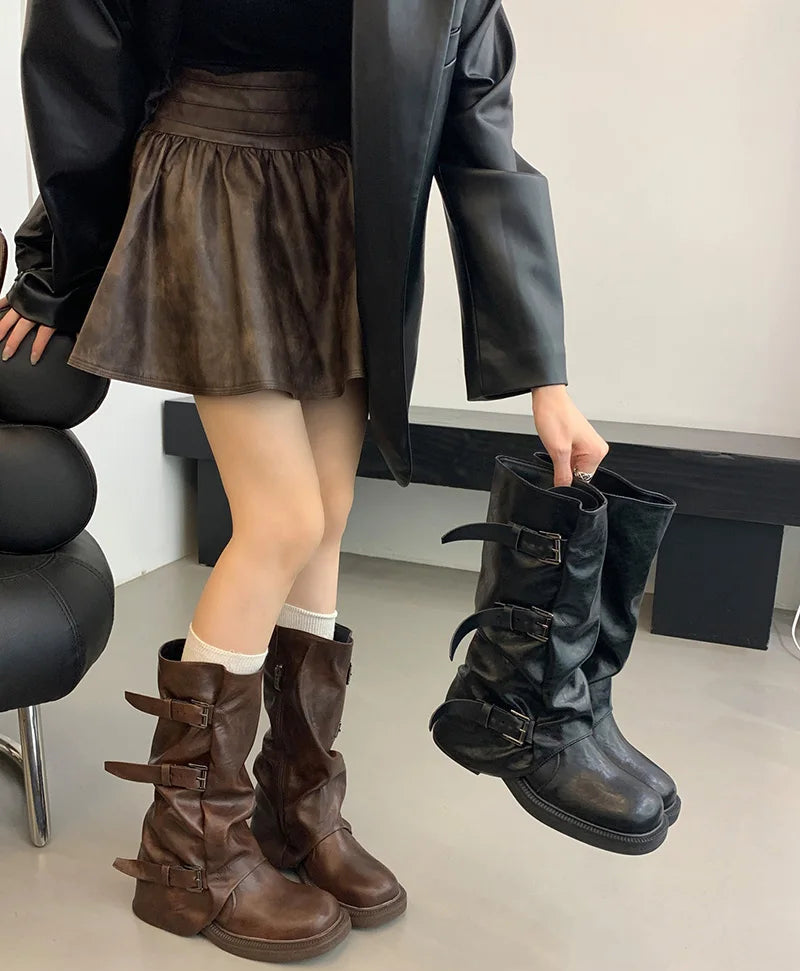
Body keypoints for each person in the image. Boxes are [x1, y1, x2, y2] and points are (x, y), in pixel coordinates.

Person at [0, 0, 609, 963]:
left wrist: (549, 378)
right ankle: (187, 853)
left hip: (338, 202)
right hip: (212, 182)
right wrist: (53, 269)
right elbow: (81, 67)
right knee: (279, 518)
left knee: (327, 512)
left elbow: (480, 136)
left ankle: (296, 805)